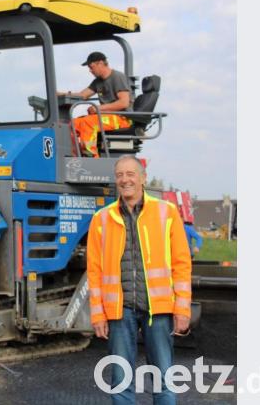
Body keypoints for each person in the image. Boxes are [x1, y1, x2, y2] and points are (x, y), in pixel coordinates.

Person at [87, 155, 192, 404]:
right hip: (120, 312)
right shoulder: (101, 219)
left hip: (160, 310)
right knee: (120, 380)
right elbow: (94, 271)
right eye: (120, 175)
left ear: (143, 179)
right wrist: (98, 314)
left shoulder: (166, 212)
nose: (125, 180)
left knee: (163, 378)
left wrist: (183, 308)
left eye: (131, 174)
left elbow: (181, 264)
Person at [61, 52, 133, 157]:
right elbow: (82, 95)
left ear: (100, 63)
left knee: (88, 122)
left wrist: (98, 108)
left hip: (122, 118)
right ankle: (75, 156)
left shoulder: (117, 77)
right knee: (73, 124)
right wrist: (61, 94)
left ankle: (91, 156)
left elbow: (124, 102)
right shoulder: (98, 81)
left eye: (91, 67)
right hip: (105, 116)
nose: (90, 70)